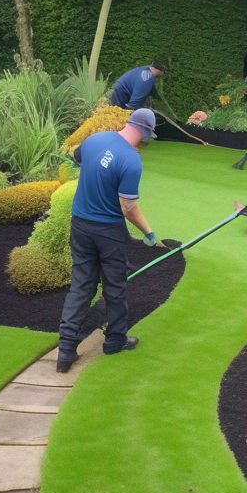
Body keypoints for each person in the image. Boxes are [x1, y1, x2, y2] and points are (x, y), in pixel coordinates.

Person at [55, 108, 158, 374]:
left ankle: (66, 350)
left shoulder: (96, 139)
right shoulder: (131, 161)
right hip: (108, 231)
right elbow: (128, 208)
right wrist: (148, 231)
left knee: (81, 285)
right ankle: (115, 341)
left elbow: (78, 159)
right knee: (115, 285)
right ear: (145, 134)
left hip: (80, 224)